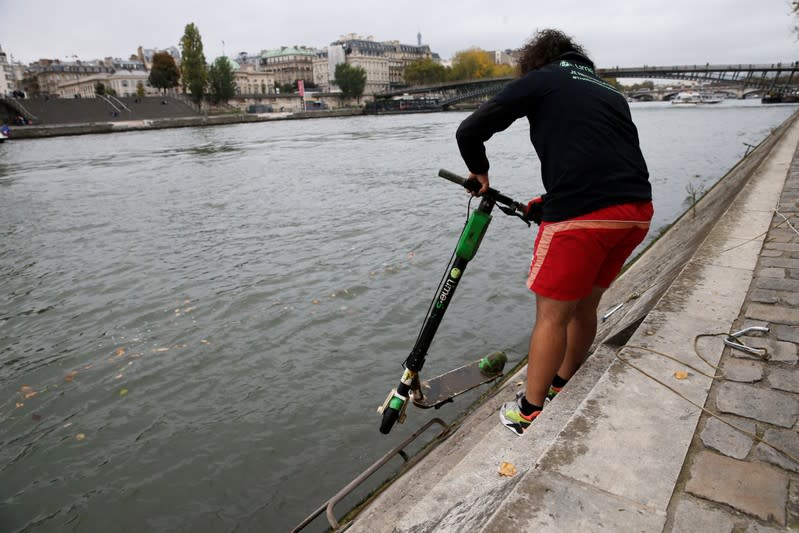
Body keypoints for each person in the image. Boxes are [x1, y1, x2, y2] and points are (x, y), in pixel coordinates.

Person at [455, 29, 653, 436]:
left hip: (581, 219)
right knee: (585, 307)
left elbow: (469, 130)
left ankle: (528, 411)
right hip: (635, 213)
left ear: (534, 61)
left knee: (551, 316)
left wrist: (480, 172)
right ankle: (564, 383)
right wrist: (549, 202)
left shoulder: (542, 79)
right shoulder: (608, 91)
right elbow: (599, 159)